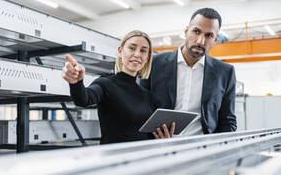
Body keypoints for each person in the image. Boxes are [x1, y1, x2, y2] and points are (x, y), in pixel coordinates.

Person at [140, 8, 237, 138]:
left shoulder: (225, 72)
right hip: (158, 146)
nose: (200, 41)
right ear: (186, 31)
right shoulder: (153, 63)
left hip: (203, 150)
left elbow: (228, 121)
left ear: (216, 39)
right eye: (196, 31)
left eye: (209, 35)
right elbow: (140, 110)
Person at [62, 30, 166, 144]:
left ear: (147, 58)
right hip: (113, 158)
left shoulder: (148, 96)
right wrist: (76, 83)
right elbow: (83, 99)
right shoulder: (106, 84)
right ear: (120, 51)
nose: (137, 54)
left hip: (141, 158)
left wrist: (161, 137)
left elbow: (148, 136)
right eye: (132, 48)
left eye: (143, 51)